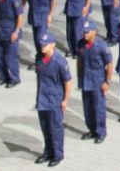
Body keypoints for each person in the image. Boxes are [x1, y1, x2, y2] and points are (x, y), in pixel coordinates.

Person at [35, 31, 73, 166]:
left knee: (55, 128)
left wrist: (65, 100)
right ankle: (48, 152)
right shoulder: (39, 58)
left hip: (54, 99)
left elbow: (68, 81)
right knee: (45, 128)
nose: (43, 47)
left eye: (45, 45)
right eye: (41, 45)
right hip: (42, 98)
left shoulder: (59, 61)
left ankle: (57, 154)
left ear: (53, 45)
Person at [23, 0, 57, 65]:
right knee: (36, 40)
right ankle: (40, 59)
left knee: (40, 39)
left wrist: (50, 14)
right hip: (33, 15)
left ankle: (47, 59)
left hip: (43, 15)